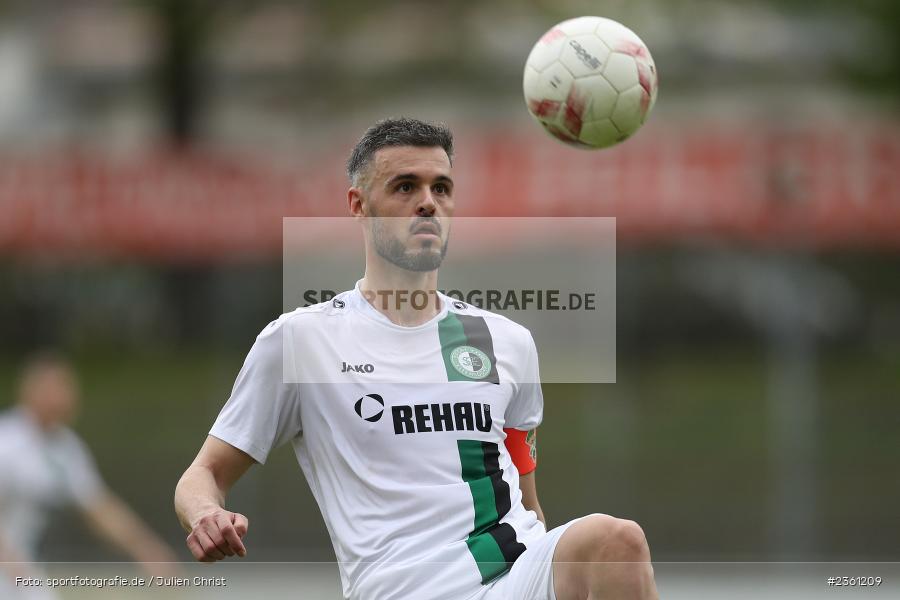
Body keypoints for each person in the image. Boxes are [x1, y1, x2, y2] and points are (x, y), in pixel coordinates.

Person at [174, 118, 659, 599]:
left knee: (615, 542)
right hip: (405, 590)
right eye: (405, 186)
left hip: (511, 574)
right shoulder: (301, 340)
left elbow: (529, 506)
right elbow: (204, 475)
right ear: (358, 206)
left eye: (441, 187)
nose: (428, 201)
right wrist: (205, 514)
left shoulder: (507, 342)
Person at [0, 354, 177, 597]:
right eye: (56, 388)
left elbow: (98, 508)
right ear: (31, 391)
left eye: (67, 389)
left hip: (23, 575)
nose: (64, 397)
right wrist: (12, 567)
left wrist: (147, 550)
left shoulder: (65, 448)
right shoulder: (6, 442)